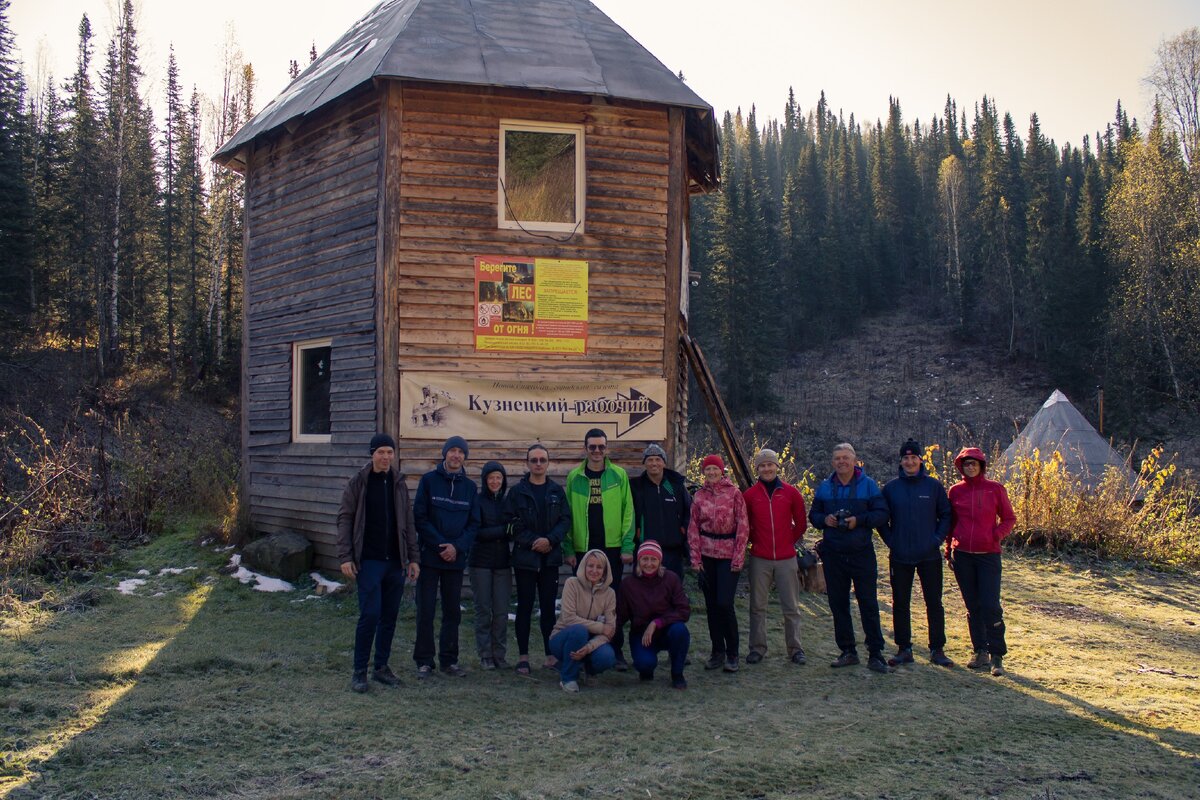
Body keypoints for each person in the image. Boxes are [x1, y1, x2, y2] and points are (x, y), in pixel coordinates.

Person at [336, 433, 420, 693]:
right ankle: (359, 671)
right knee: (370, 614)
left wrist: (413, 558)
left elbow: (407, 522)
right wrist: (346, 556)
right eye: (381, 452)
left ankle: (381, 667)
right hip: (369, 562)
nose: (385, 457)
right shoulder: (358, 483)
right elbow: (345, 519)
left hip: (394, 562)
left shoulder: (398, 483)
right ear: (372, 454)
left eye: (389, 452)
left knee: (390, 616)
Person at [809, 443, 891, 674]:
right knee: (838, 604)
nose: (841, 462)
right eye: (837, 458)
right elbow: (813, 515)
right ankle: (847, 651)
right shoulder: (825, 487)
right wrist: (825, 520)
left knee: (868, 604)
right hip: (833, 554)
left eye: (846, 457)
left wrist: (859, 520)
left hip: (861, 553)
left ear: (855, 461)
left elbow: (882, 514)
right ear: (832, 462)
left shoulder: (868, 485)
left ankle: (876, 654)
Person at [879, 439, 954, 667]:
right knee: (900, 602)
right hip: (900, 555)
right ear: (900, 462)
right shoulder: (891, 489)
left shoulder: (933, 487)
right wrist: (892, 541)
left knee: (934, 602)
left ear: (920, 460)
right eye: (905, 458)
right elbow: (881, 519)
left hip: (928, 555)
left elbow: (947, 515)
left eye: (913, 458)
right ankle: (904, 649)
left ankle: (937, 649)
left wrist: (936, 540)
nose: (910, 462)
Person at [566, 428, 635, 670]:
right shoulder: (574, 477)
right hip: (583, 549)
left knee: (611, 602)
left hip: (613, 548)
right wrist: (568, 548)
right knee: (583, 602)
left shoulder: (618, 475)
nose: (597, 451)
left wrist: (627, 545)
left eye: (601, 446)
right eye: (592, 447)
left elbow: (629, 512)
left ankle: (615, 650)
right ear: (585, 448)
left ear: (607, 448)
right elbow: (567, 515)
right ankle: (582, 650)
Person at [412, 435, 479, 678]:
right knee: (426, 610)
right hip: (430, 557)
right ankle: (424, 661)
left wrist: (456, 547)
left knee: (453, 612)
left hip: (455, 560)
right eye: (452, 451)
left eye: (461, 452)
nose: (456, 456)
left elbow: (474, 524)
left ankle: (449, 661)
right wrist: (441, 545)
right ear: (445, 454)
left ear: (464, 457)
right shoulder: (429, 481)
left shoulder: (470, 488)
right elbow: (420, 516)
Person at [946, 446, 1016, 676]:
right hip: (963, 555)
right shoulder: (955, 491)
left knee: (990, 605)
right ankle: (980, 651)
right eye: (967, 464)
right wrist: (949, 550)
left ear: (982, 466)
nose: (971, 467)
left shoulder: (995, 489)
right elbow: (950, 523)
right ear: (961, 467)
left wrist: (995, 535)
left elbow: (1009, 518)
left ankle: (997, 656)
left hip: (988, 555)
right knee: (972, 606)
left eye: (975, 463)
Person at [507, 443, 571, 676]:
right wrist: (535, 541)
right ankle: (523, 657)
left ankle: (550, 655)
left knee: (547, 608)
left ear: (548, 463)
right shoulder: (517, 492)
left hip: (550, 559)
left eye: (542, 460)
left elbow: (565, 520)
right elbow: (512, 523)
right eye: (533, 460)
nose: (538, 464)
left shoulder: (556, 491)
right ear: (527, 463)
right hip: (525, 558)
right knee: (524, 607)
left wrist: (550, 541)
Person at [742, 448, 809, 665]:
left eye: (770, 464)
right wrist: (755, 540)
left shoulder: (791, 493)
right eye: (762, 465)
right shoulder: (750, 495)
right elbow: (745, 524)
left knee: (791, 606)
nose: (767, 469)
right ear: (757, 469)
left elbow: (801, 522)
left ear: (776, 467)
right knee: (757, 606)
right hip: (760, 557)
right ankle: (757, 648)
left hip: (786, 558)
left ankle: (795, 648)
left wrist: (788, 541)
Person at [687, 454, 749, 672]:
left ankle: (733, 652)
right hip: (706, 556)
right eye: (708, 469)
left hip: (728, 555)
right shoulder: (699, 496)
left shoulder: (734, 494)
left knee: (724, 603)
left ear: (722, 471)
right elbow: (693, 528)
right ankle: (717, 651)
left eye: (715, 469)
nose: (711, 473)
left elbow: (743, 527)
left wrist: (738, 557)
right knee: (711, 606)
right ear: (703, 472)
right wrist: (695, 559)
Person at [617, 540, 692, 689]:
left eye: (653, 559)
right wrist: (604, 633)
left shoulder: (671, 579)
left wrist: (657, 623)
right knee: (645, 665)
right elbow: (620, 616)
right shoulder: (628, 584)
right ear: (639, 561)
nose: (649, 564)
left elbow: (684, 610)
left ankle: (677, 674)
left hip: (667, 630)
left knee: (680, 631)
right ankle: (646, 668)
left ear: (660, 561)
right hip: (641, 634)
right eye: (645, 559)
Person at [548, 549, 618, 692]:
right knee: (579, 631)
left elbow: (609, 630)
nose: (594, 570)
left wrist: (589, 647)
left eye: (599, 567)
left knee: (608, 656)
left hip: (591, 642)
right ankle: (568, 678)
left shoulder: (610, 594)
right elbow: (569, 619)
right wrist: (600, 627)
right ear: (583, 566)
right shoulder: (571, 584)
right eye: (590, 566)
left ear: (605, 572)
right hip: (563, 637)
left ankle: (589, 671)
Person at [470, 461, 511, 670]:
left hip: (503, 562)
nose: (495, 481)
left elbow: (515, 527)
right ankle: (485, 654)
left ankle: (499, 653)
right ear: (485, 480)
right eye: (491, 478)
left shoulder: (507, 502)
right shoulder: (477, 502)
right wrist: (503, 531)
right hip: (480, 563)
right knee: (483, 610)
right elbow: (476, 532)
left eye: (499, 478)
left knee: (502, 611)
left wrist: (503, 530)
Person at [631, 443, 692, 578]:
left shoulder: (676, 486)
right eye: (650, 460)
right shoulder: (636, 487)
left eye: (658, 459)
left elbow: (689, 511)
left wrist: (683, 532)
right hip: (645, 550)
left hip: (673, 550)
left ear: (664, 463)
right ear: (644, 463)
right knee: (645, 593)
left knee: (672, 589)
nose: (654, 463)